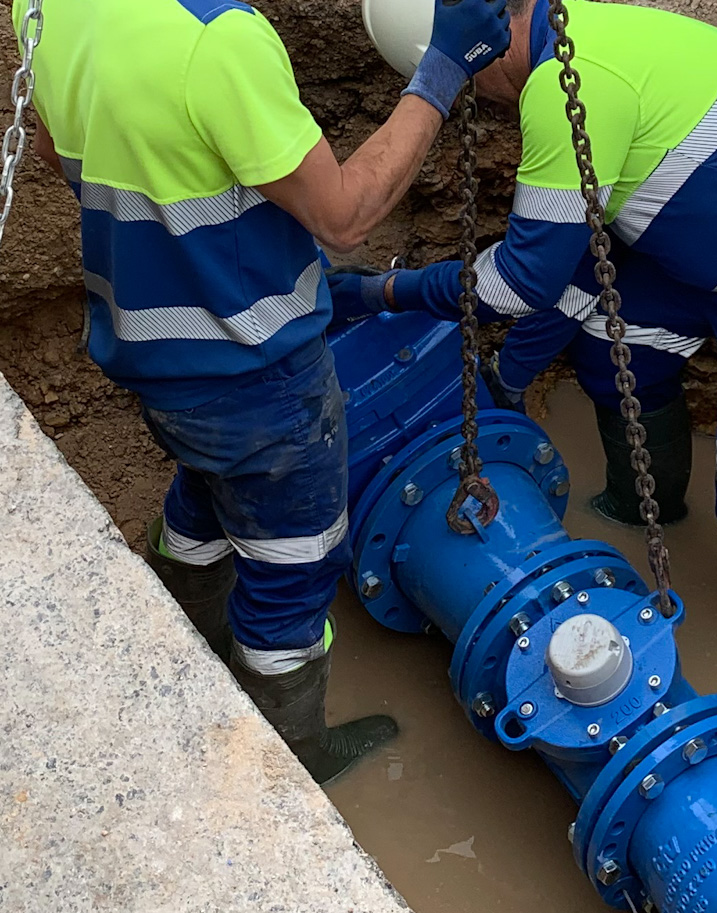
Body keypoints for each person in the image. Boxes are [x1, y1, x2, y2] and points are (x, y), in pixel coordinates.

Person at [16, 0, 511, 783]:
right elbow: (344, 215)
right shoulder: (219, 39)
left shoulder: (51, 7)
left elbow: (55, 150)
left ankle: (183, 647)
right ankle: (292, 753)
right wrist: (444, 67)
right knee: (293, 570)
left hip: (151, 352)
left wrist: (186, 248)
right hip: (260, 380)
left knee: (209, 484)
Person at [341, 0, 717, 667]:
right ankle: (649, 504)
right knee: (615, 360)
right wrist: (511, 378)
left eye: (465, 86)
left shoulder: (568, 88)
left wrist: (385, 290)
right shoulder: (574, 38)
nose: (481, 103)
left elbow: (519, 283)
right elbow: (577, 266)